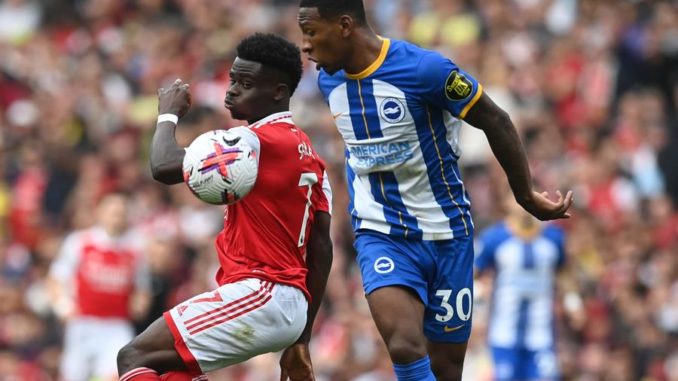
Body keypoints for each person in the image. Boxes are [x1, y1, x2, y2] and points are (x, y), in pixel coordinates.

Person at [296, 1, 573, 380]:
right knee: (404, 345)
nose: (306, 46)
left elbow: (496, 119)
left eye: (311, 32)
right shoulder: (329, 80)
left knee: (445, 369)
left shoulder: (425, 70)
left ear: (344, 26)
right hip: (382, 233)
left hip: (448, 236)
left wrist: (525, 196)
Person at [116, 33, 333, 381]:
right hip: (286, 305)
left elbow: (162, 166)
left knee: (134, 357)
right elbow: (320, 249)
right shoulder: (315, 161)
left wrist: (168, 115)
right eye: (232, 80)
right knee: (177, 371)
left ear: (279, 91)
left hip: (261, 293)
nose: (231, 90)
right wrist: (301, 337)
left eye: (245, 84)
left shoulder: (253, 142)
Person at [48, 192, 151, 381]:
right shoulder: (80, 242)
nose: (117, 217)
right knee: (74, 375)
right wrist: (63, 307)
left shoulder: (135, 248)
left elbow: (142, 285)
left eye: (121, 212)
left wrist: (139, 303)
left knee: (114, 375)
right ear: (100, 212)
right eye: (113, 212)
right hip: (83, 322)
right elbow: (56, 277)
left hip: (116, 325)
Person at [475, 196, 567, 381]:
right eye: (518, 198)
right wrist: (479, 305)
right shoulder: (494, 238)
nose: (525, 205)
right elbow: (474, 275)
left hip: (542, 336)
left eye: (533, 196)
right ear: (507, 202)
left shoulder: (554, 238)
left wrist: (573, 303)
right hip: (504, 336)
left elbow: (564, 277)